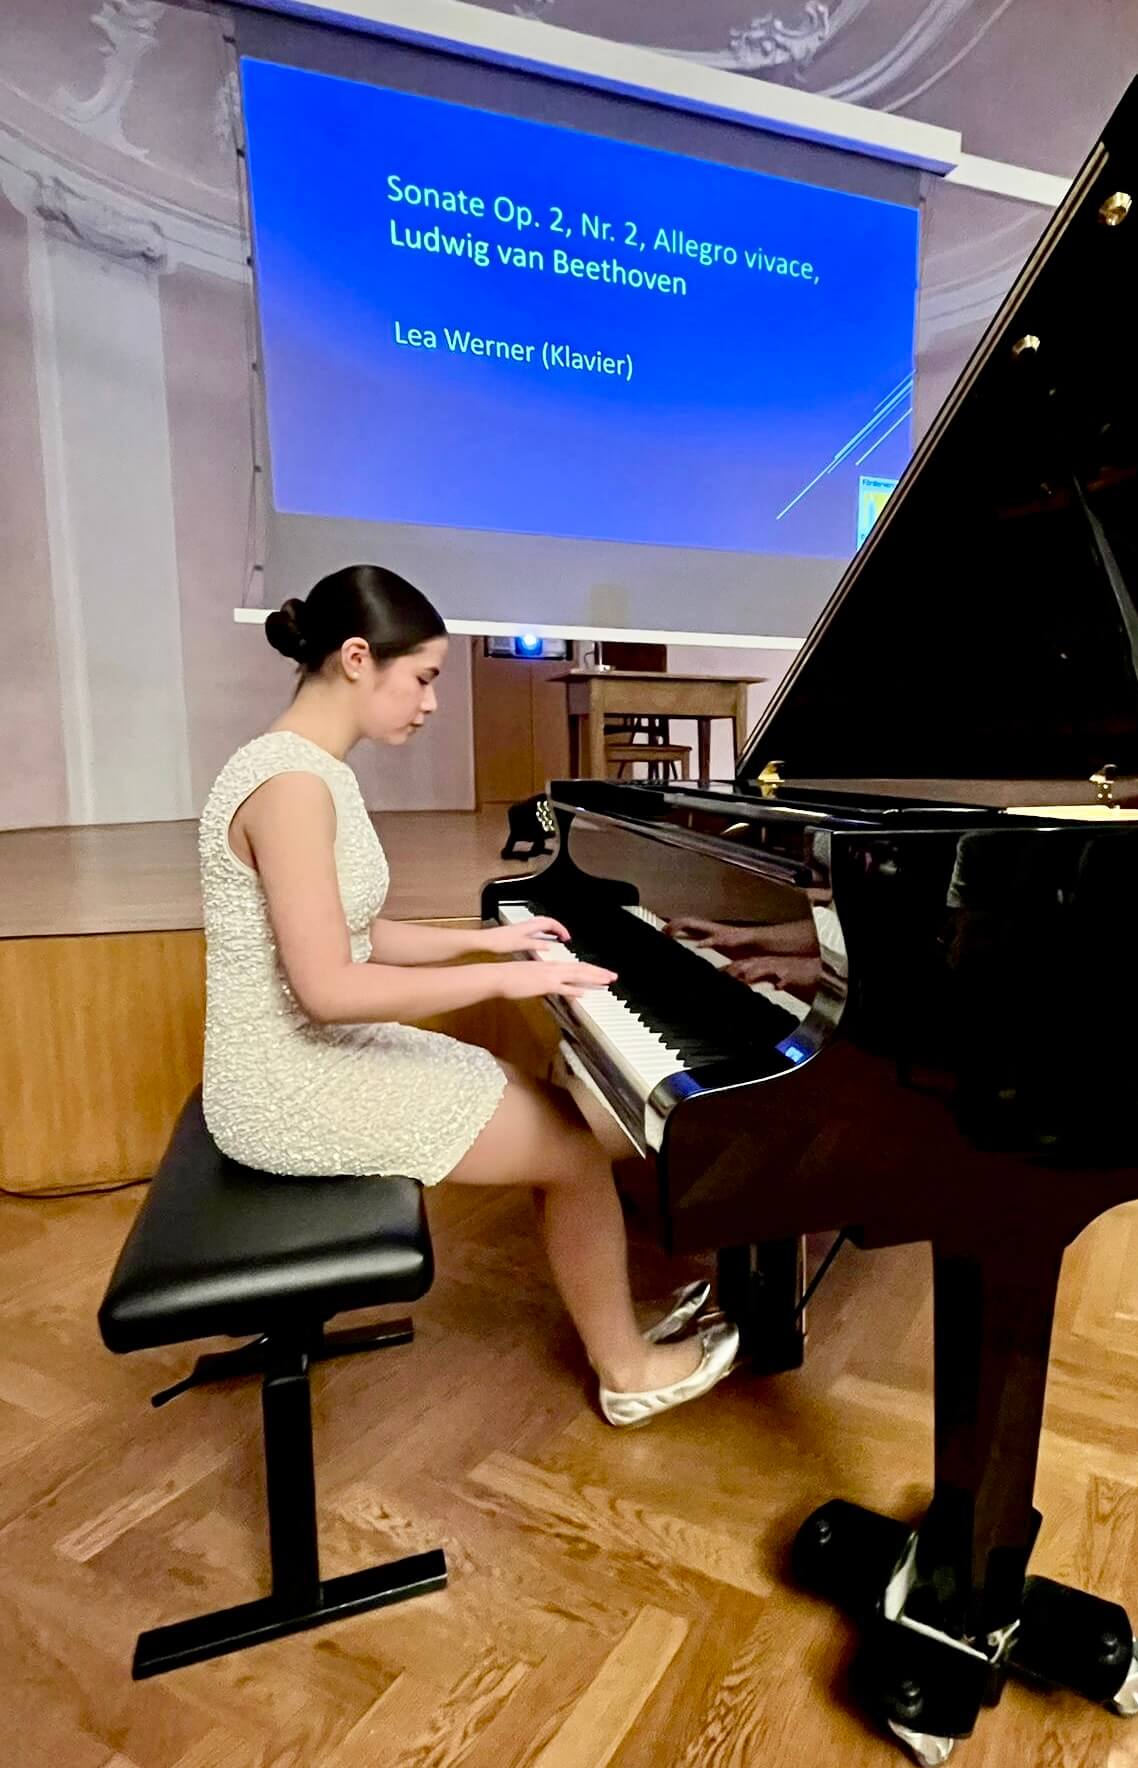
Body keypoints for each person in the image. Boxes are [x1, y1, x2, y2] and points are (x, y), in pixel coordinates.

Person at [198, 564, 737, 1424]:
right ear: (355, 658)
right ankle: (628, 1371)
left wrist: (485, 938)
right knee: (569, 1146)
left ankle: (620, 1327)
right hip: (285, 1082)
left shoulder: (303, 767)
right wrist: (508, 975)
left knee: (552, 1108)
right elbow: (331, 988)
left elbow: (354, 934)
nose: (432, 701)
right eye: (423, 678)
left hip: (292, 1056)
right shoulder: (293, 786)